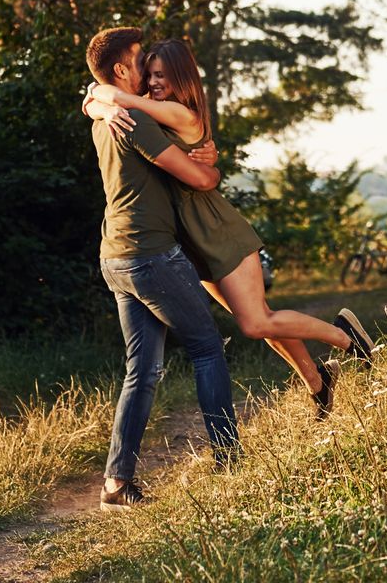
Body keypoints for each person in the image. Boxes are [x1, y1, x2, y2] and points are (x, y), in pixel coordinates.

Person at [83, 38, 375, 419]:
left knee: (256, 322)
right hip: (191, 239)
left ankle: (345, 337)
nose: (153, 82)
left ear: (180, 78)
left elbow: (130, 105)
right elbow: (119, 104)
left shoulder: (181, 113)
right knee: (258, 319)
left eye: (161, 76)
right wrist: (97, 104)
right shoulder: (151, 111)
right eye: (149, 73)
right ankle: (319, 383)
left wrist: (100, 101)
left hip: (216, 228)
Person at [85, 26, 241, 511]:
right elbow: (197, 178)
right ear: (120, 71)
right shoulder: (134, 120)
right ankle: (229, 462)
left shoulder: (103, 118)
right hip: (151, 254)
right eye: (139, 61)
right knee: (208, 347)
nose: (147, 70)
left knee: (143, 370)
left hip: (115, 255)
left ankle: (116, 483)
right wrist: (212, 166)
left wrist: (99, 101)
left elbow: (96, 103)